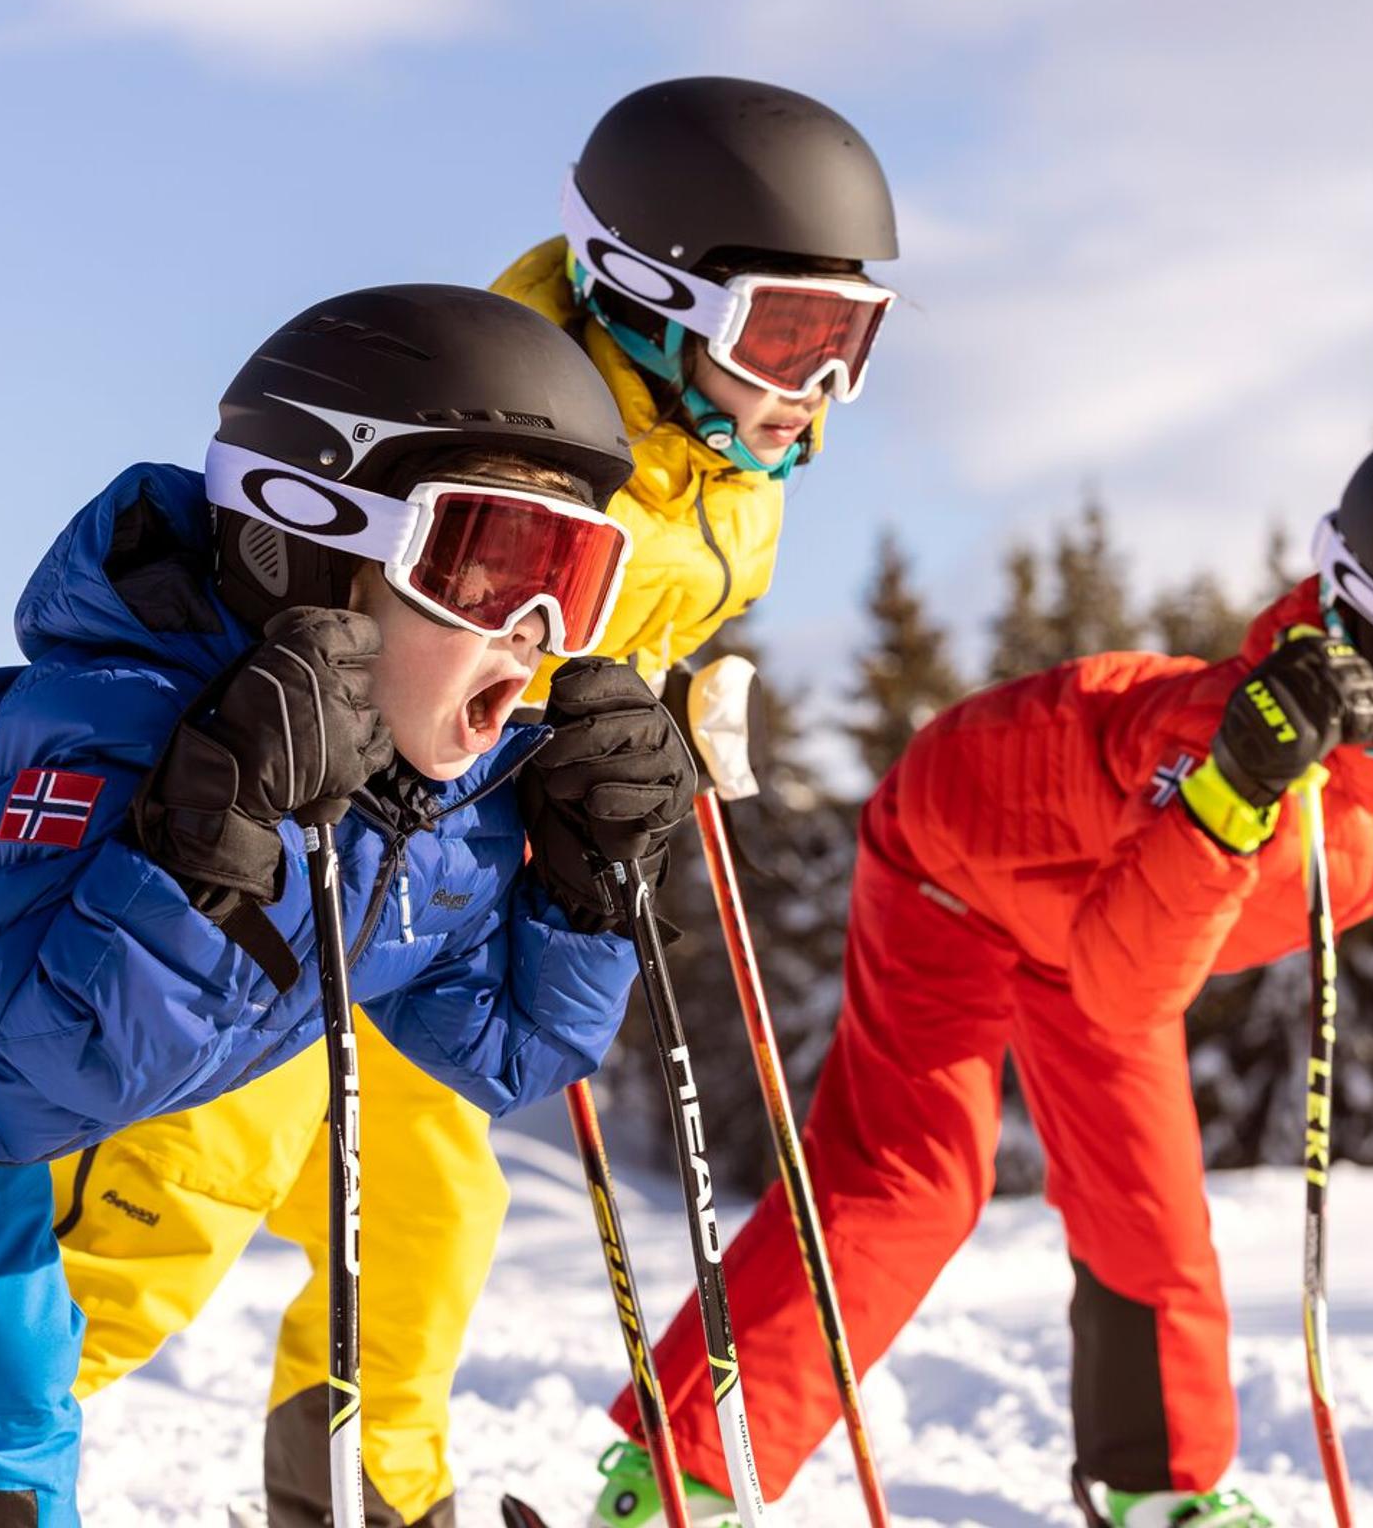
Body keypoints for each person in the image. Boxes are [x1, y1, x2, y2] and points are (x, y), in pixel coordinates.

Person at [0, 282, 697, 1528]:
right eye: (485, 570)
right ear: (308, 544)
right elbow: (73, 1047)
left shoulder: (432, 805)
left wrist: (582, 891)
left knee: (11, 1397)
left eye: (572, 578)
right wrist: (207, 838)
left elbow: (509, 1055)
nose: (533, 633)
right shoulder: (112, 726)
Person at [50, 75, 898, 1528]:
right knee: (182, 1182)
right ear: (650, 291)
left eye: (850, 345)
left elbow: (627, 646)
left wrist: (652, 737)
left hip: (444, 901)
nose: (813, 390)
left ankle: (369, 1494)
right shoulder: (496, 417)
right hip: (304, 862)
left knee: (432, 1211)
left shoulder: (733, 491)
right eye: (786, 337)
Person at [602, 427, 1373, 1528]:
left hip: (1113, 940)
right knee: (912, 1182)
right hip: (953, 873)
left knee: (1148, 1211)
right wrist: (1228, 799)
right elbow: (1124, 988)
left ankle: (1159, 1490)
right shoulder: (1218, 739)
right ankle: (677, 1481)